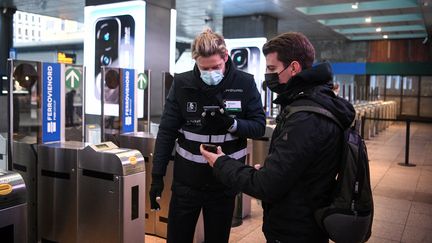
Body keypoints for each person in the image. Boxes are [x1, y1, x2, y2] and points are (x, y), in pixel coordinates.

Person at [200, 32, 356, 243]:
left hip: (295, 227)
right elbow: (298, 169)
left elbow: (267, 186)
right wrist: (271, 171)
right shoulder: (318, 103)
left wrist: (220, 163)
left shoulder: (305, 118)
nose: (267, 75)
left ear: (294, 67)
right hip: (308, 218)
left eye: (272, 69)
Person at [150, 28, 266, 243]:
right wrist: (157, 176)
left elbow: (258, 127)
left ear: (226, 57)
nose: (210, 72)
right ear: (195, 61)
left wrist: (231, 124)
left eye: (216, 67)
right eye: (204, 68)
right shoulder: (183, 83)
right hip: (187, 181)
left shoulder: (244, 83)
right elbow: (166, 132)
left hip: (224, 180)